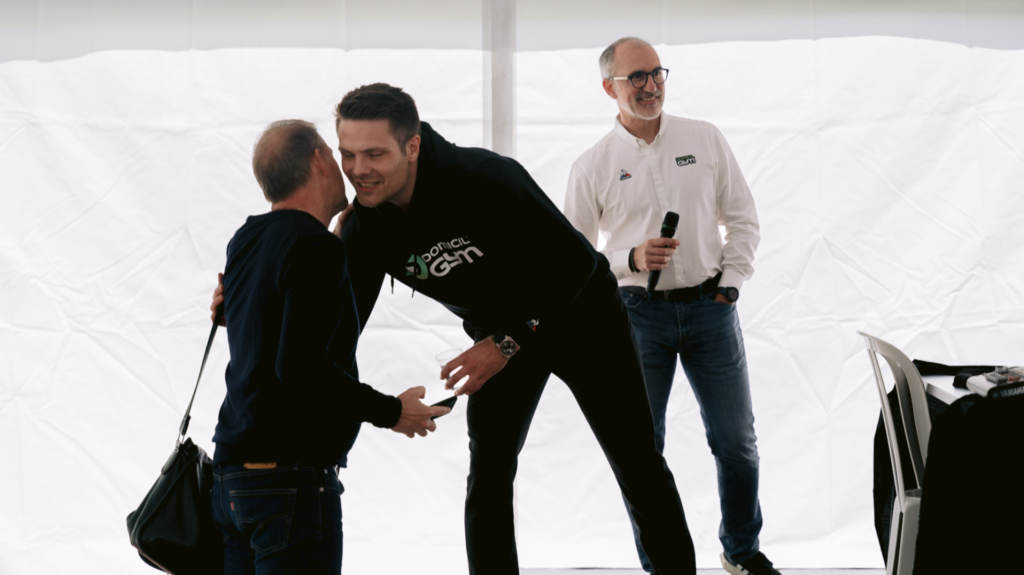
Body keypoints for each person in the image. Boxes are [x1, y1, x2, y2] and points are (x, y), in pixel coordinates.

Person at [337, 82, 696, 575]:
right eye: (348, 154)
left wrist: (506, 342)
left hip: (581, 318)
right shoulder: (365, 228)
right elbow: (335, 317)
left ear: (413, 145)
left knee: (637, 461)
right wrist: (251, 295)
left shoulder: (485, 178)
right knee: (488, 474)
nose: (359, 169)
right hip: (498, 338)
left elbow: (575, 268)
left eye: (374, 153)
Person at [564, 38, 778, 575]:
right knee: (641, 450)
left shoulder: (703, 139)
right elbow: (572, 258)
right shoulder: (593, 165)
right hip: (637, 317)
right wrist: (630, 256)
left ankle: (742, 552)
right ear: (609, 87)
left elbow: (744, 218)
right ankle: (663, 564)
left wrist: (730, 283)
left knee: (737, 443)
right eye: (635, 77)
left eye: (656, 73)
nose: (650, 85)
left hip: (711, 309)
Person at [209, 119, 448, 575]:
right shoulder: (314, 247)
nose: (351, 169)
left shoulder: (246, 239)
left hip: (231, 478)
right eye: (339, 155)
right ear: (319, 159)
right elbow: (298, 367)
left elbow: (267, 331)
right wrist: (391, 412)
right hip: (289, 483)